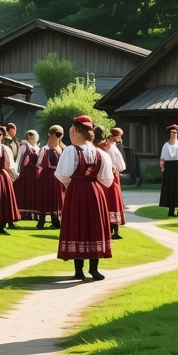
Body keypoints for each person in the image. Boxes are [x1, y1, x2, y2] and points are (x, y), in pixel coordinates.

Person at [56, 115, 114, 279]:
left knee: (77, 225)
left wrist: (76, 182)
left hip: (76, 191)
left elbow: (62, 174)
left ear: (75, 131)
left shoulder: (70, 151)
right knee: (94, 226)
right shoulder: (100, 153)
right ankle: (94, 269)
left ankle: (79, 271)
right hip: (95, 192)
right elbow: (107, 180)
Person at [98, 126, 128, 239]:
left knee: (109, 200)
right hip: (112, 175)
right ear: (117, 136)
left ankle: (110, 228)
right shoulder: (111, 148)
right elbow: (121, 165)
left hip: (106, 175)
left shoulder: (104, 146)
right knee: (114, 201)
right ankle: (113, 229)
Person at [35, 125, 65, 229]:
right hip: (46, 176)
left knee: (56, 198)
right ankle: (42, 220)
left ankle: (55, 221)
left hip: (57, 177)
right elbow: (39, 163)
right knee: (45, 197)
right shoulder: (45, 149)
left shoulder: (61, 149)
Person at [13, 129, 42, 221]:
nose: (31, 137)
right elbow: (18, 159)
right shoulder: (24, 146)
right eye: (30, 135)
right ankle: (25, 213)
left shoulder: (38, 148)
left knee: (34, 191)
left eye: (33, 135)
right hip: (26, 173)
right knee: (25, 191)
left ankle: (34, 212)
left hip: (35, 173)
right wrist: (15, 170)